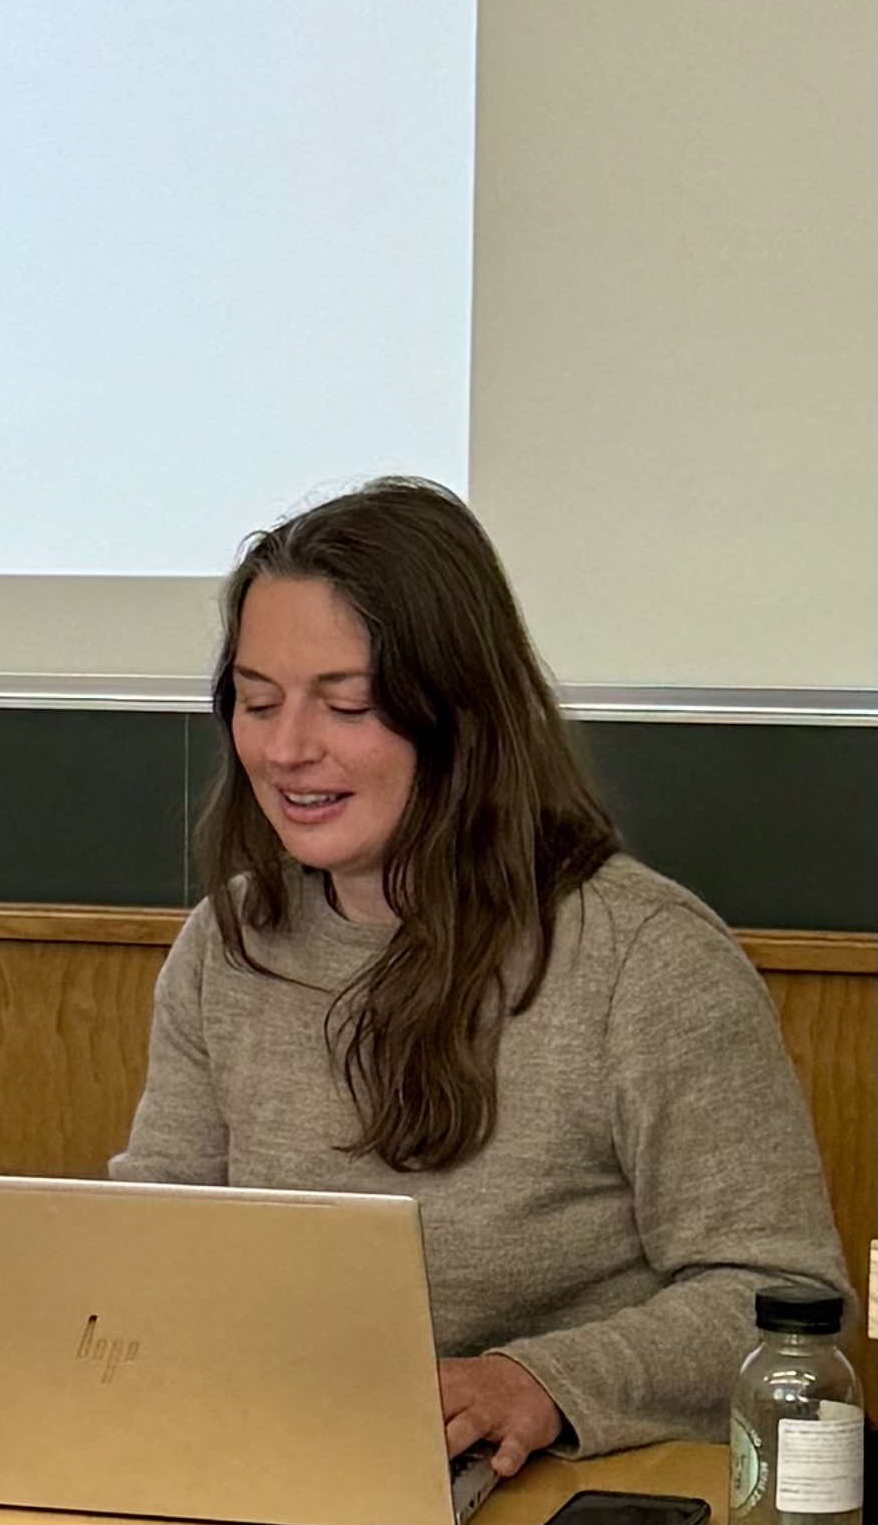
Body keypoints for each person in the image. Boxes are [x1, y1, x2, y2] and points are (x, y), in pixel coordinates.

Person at [116, 477, 848, 1471]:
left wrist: (536, 1381)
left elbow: (780, 1301)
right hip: (289, 1475)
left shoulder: (648, 960)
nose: (285, 748)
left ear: (459, 715)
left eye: (347, 704)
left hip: (557, 1503)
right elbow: (153, 1243)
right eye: (256, 702)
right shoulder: (225, 944)